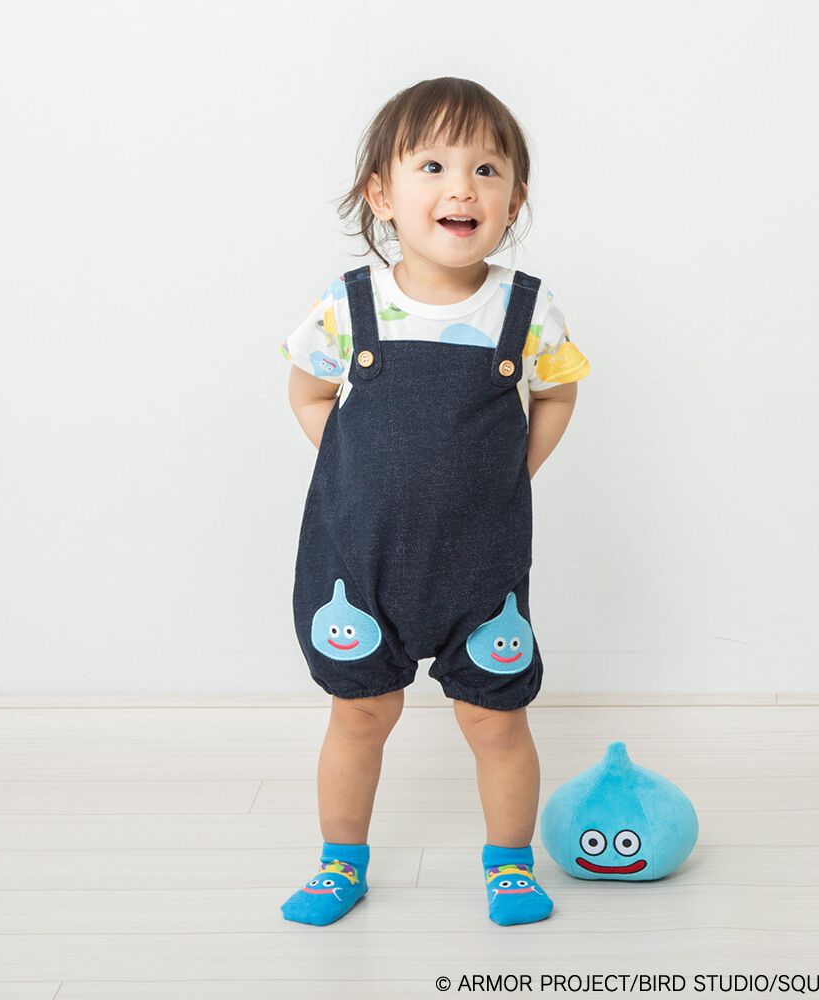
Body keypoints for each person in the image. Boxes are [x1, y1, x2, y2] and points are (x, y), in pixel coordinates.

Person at [277, 77, 591, 926]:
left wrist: (512, 471)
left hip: (481, 567)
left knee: (497, 721)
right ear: (381, 194)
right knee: (359, 716)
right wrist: (358, 469)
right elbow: (308, 392)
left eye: (487, 170)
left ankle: (510, 863)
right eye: (433, 167)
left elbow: (557, 394)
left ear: (514, 200)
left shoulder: (524, 310)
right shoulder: (351, 306)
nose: (462, 188)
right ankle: (340, 862)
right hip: (360, 565)